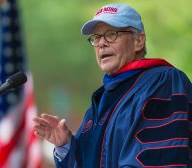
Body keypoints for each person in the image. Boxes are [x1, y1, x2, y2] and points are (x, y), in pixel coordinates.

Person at [33, 3, 192, 167]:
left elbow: (159, 159)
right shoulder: (99, 103)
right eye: (96, 37)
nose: (101, 43)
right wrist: (65, 145)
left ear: (138, 41)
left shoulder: (162, 82)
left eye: (111, 34)